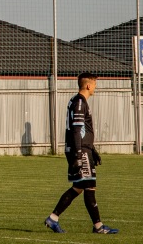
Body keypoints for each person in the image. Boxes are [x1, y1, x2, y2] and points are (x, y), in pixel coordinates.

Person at [44, 72, 119, 234]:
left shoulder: (77, 101)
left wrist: (93, 149)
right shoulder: (80, 102)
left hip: (84, 150)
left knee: (78, 187)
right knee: (90, 187)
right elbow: (77, 130)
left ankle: (53, 218)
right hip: (81, 151)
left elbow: (83, 131)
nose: (95, 87)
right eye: (95, 84)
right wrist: (79, 154)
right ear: (88, 85)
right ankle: (98, 227)